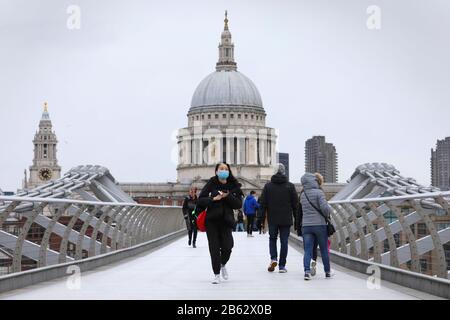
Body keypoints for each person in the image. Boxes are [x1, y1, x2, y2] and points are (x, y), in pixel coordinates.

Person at [197, 162, 244, 284]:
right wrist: (213, 199)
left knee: (228, 247)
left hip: (226, 221)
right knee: (214, 248)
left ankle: (223, 264)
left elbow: (238, 204)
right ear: (216, 171)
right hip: (211, 221)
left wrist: (227, 196)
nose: (224, 171)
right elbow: (201, 200)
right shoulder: (211, 183)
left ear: (229, 171)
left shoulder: (234, 185)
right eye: (221, 169)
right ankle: (216, 274)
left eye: (226, 169)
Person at [259, 163, 298, 273]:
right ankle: (282, 266)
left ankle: (273, 258)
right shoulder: (290, 186)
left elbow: (263, 204)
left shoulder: (268, 186)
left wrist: (260, 219)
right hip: (286, 218)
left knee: (272, 239)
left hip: (273, 218)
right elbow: (295, 205)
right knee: (284, 241)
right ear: (284, 171)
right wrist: (297, 220)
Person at [300, 172, 332, 280]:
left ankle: (306, 272)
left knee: (308, 250)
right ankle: (327, 272)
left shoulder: (303, 195)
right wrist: (329, 210)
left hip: (306, 225)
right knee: (323, 249)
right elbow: (325, 209)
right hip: (319, 225)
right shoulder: (319, 192)